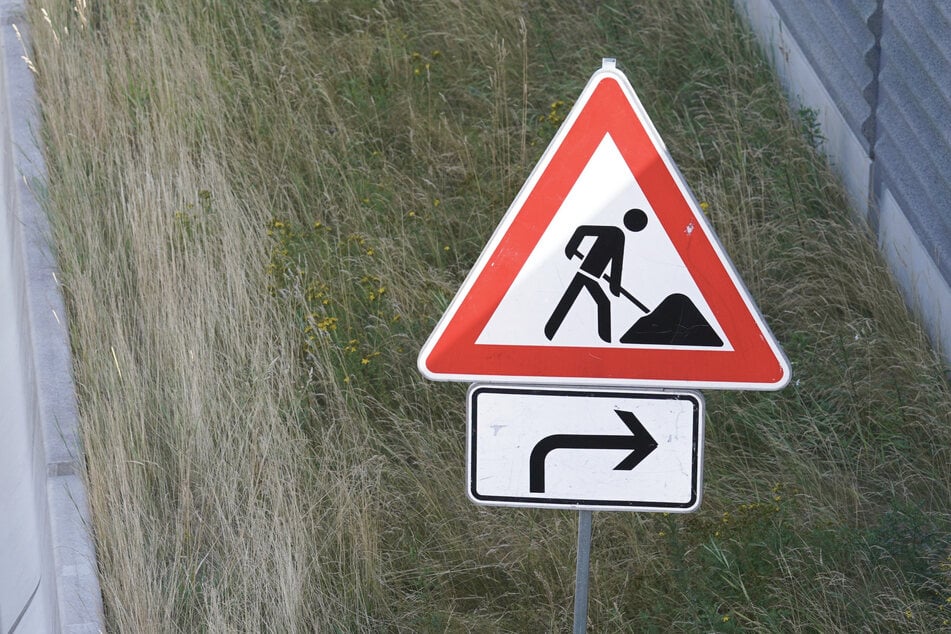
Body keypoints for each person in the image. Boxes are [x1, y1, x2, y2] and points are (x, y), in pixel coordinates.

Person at [544, 208, 648, 342]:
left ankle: (550, 331)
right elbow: (582, 230)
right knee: (599, 302)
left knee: (576, 299)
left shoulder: (617, 235)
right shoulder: (615, 233)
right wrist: (571, 248)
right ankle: (605, 341)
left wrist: (614, 286)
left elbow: (616, 264)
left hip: (591, 276)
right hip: (585, 274)